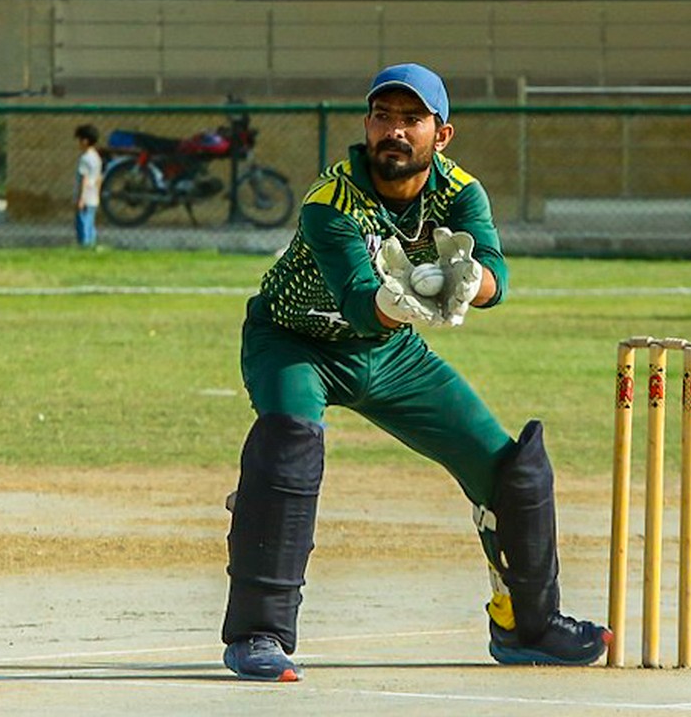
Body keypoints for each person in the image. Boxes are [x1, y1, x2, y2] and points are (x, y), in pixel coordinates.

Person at [220, 63, 610, 682]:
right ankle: (257, 634)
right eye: (383, 117)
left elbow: (497, 278)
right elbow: (359, 304)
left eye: (411, 119)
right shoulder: (330, 201)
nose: (394, 131)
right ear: (367, 125)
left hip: (390, 353)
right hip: (295, 342)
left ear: (441, 134)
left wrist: (468, 283)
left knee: (511, 469)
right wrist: (397, 301)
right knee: (289, 448)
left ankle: (526, 625)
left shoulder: (460, 193)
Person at [74, 123, 103, 248]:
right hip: (93, 196)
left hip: (85, 196)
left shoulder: (85, 158)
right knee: (90, 222)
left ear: (85, 141)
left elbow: (84, 179)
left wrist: (81, 198)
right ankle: (92, 243)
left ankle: (84, 245)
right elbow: (99, 178)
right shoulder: (96, 157)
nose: (79, 143)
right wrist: (98, 194)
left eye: (79, 140)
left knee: (82, 222)